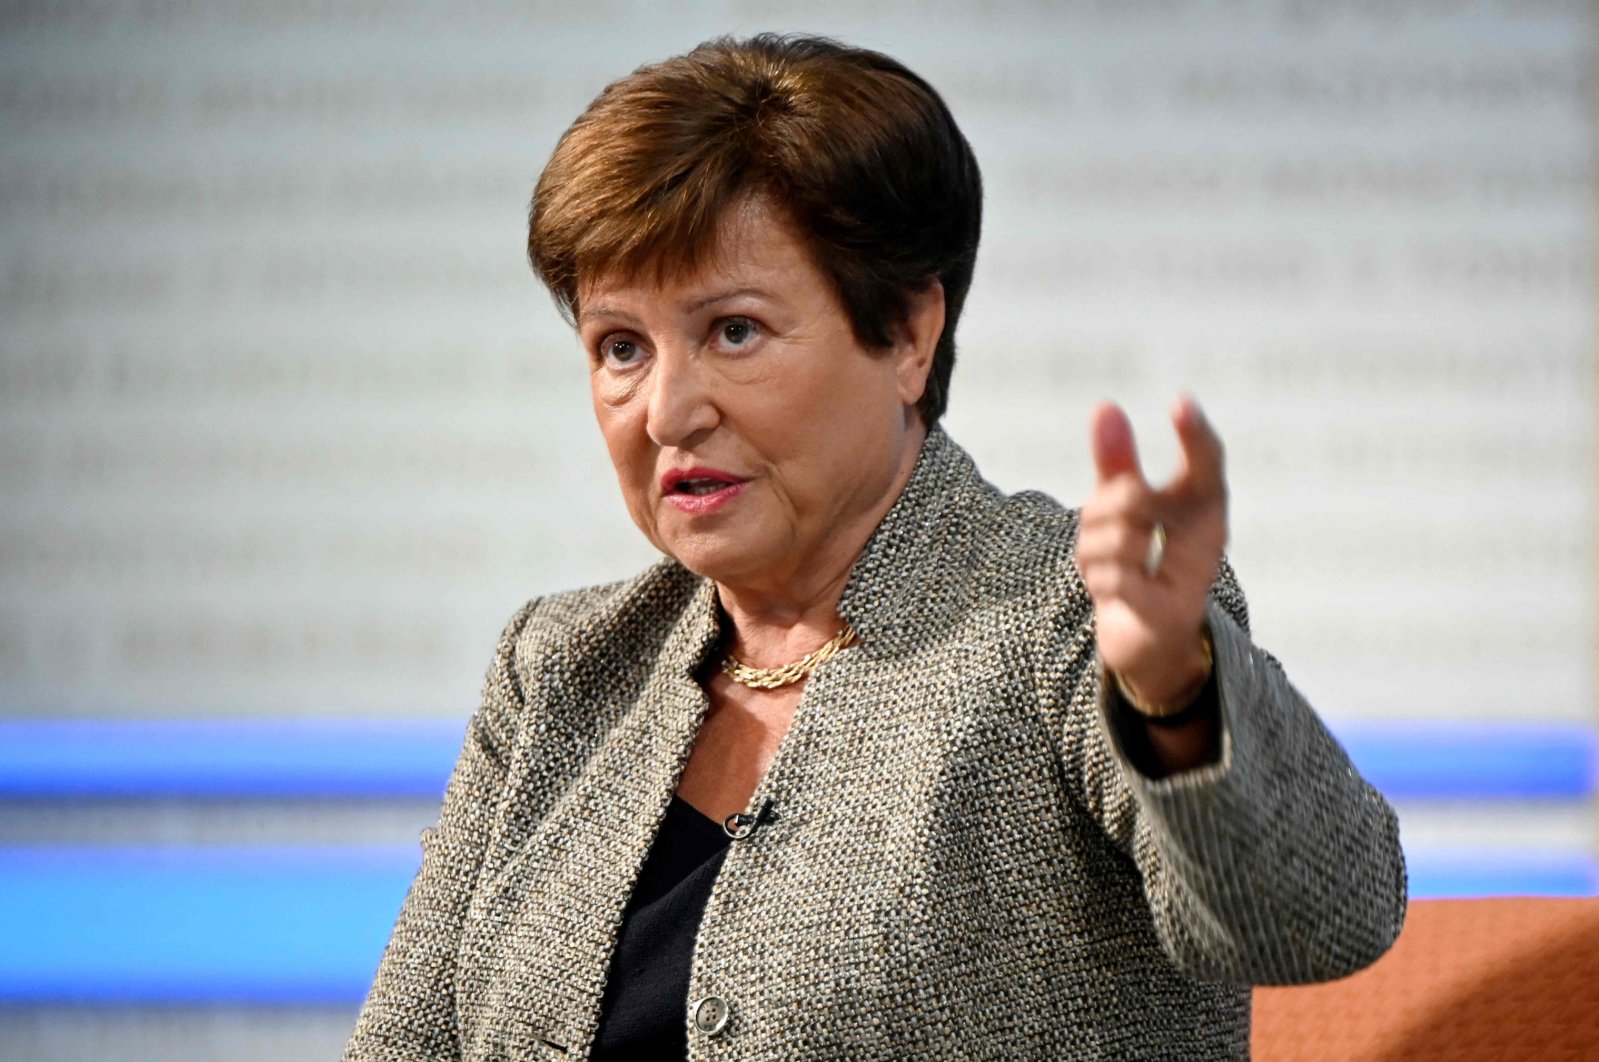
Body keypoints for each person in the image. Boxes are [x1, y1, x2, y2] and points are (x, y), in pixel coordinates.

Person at [345, 33, 1406, 1060]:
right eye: (620, 347)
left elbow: (1313, 926)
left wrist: (1174, 688)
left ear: (906, 334)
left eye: (734, 331)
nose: (666, 411)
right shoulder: (564, 667)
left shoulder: (1061, 617)